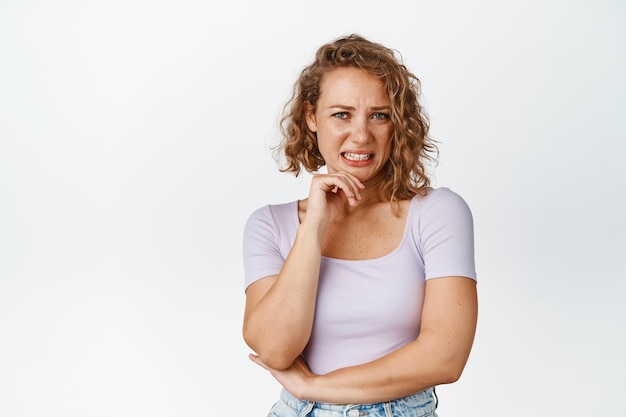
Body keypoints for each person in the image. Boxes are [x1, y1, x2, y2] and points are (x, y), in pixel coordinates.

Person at [242, 34, 478, 417]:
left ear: (397, 123)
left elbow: (446, 357)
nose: (362, 134)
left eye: (379, 115)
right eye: (341, 114)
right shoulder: (269, 225)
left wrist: (317, 388)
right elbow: (275, 348)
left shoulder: (437, 213)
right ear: (310, 117)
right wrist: (314, 226)